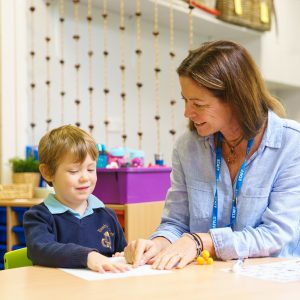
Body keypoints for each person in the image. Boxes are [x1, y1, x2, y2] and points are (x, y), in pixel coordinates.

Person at [124, 40, 300, 270]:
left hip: (271, 280)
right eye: (185, 101)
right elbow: (176, 222)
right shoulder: (187, 148)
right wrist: (157, 243)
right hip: (208, 278)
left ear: (235, 99)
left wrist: (203, 242)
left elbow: (276, 235)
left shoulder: (291, 143)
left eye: (198, 104)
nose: (187, 112)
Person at [23, 125, 129, 273]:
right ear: (48, 173)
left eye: (91, 169)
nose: (85, 177)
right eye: (74, 171)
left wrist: (125, 255)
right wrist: (87, 256)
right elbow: (40, 249)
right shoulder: (38, 216)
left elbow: (120, 252)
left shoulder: (107, 215)